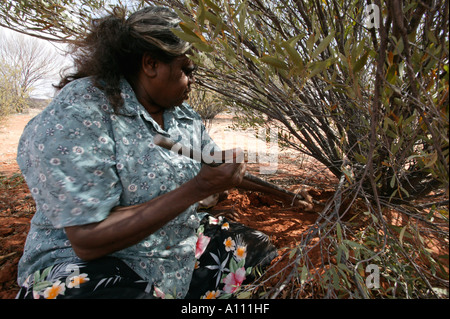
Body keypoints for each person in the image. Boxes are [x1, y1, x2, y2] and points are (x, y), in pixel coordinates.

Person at [15, 6, 278, 299]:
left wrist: (288, 195)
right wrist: (199, 188)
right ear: (151, 64)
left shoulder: (184, 118)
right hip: (87, 265)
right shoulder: (84, 109)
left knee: (252, 247)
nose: (192, 81)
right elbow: (87, 240)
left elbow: (220, 170)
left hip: (171, 252)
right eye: (186, 71)